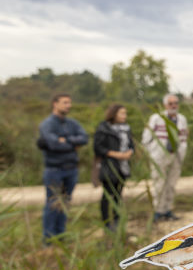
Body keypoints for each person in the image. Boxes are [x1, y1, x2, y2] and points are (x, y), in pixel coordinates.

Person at [37, 93, 88, 244]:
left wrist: (65, 140)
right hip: (55, 169)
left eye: (69, 103)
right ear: (55, 104)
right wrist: (72, 144)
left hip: (71, 168)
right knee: (53, 203)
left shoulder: (72, 123)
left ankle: (61, 235)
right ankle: (49, 238)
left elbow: (84, 138)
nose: (68, 105)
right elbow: (52, 144)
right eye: (65, 102)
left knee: (65, 203)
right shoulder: (47, 124)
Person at [142, 93, 188, 222]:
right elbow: (147, 137)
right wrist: (151, 152)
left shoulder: (182, 119)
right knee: (159, 183)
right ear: (165, 105)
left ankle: (167, 209)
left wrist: (182, 150)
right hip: (159, 155)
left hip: (176, 155)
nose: (173, 106)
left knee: (171, 183)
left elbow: (184, 137)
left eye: (176, 103)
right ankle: (158, 210)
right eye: (171, 103)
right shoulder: (156, 118)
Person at [93, 104, 134, 231]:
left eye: (125, 113)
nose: (124, 116)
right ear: (114, 114)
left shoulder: (126, 128)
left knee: (118, 194)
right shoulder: (103, 128)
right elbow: (98, 148)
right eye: (122, 113)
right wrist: (116, 155)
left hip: (123, 167)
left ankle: (116, 221)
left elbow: (131, 144)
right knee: (107, 196)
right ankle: (106, 223)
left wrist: (129, 153)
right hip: (109, 166)